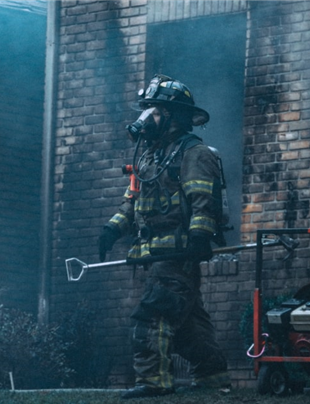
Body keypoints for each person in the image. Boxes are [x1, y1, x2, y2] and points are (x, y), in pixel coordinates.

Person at [98, 74, 231, 399]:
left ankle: (155, 381)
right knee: (187, 327)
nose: (147, 118)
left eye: (155, 111)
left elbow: (204, 201)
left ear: (174, 115)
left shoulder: (194, 154)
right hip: (155, 256)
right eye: (147, 111)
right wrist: (112, 229)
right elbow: (132, 202)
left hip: (178, 255)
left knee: (152, 316)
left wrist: (200, 237)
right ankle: (212, 375)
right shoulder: (149, 157)